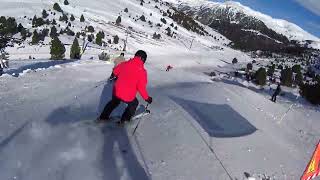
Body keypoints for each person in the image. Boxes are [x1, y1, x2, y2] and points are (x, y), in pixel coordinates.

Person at [98, 50, 153, 125]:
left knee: (114, 102)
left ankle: (103, 117)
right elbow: (141, 88)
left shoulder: (125, 64)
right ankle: (124, 120)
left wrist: (115, 76)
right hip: (128, 95)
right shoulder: (142, 72)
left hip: (116, 91)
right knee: (134, 103)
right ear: (142, 59)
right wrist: (147, 98)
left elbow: (115, 71)